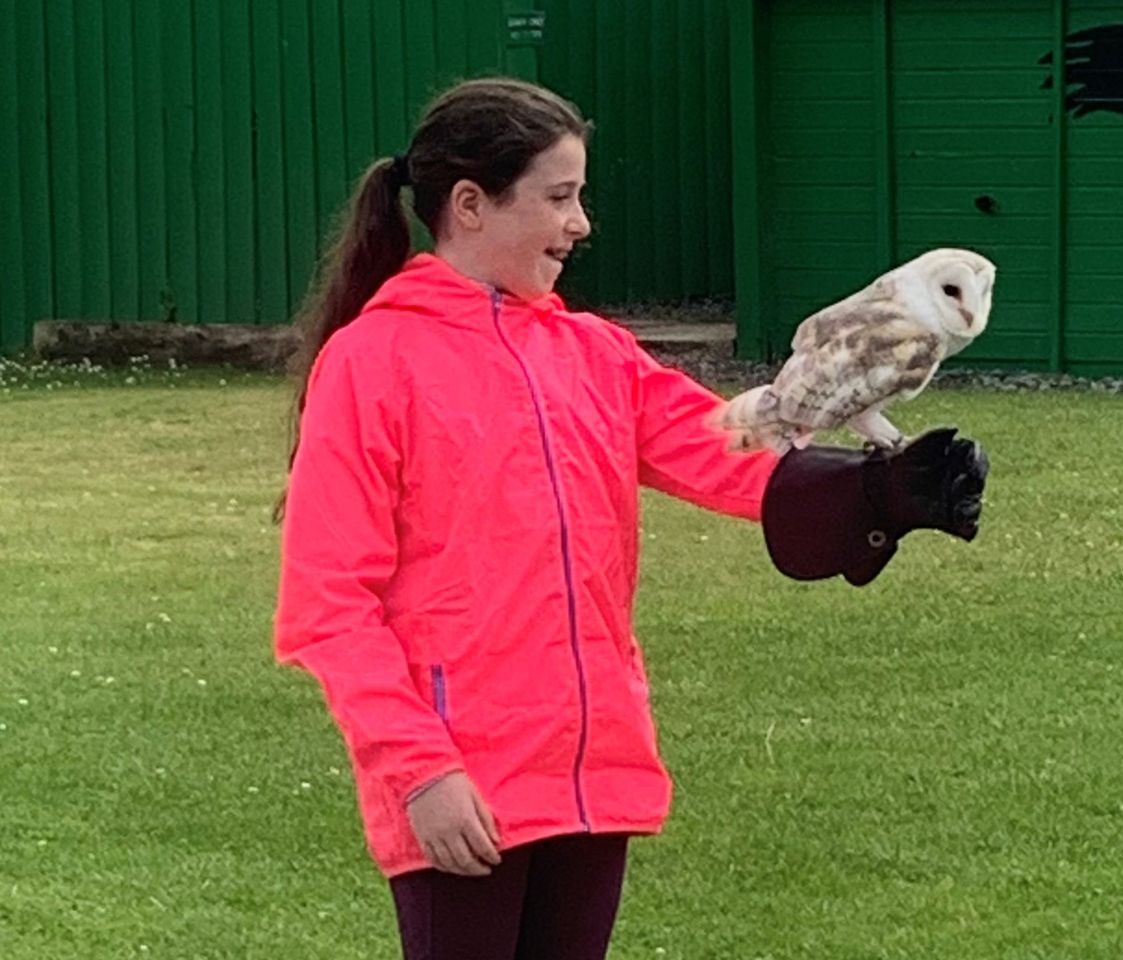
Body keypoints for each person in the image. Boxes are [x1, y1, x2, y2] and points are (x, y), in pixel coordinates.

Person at [273, 76, 987, 960]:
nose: (581, 223)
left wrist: (875, 491)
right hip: (461, 784)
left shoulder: (594, 352)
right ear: (469, 205)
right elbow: (328, 604)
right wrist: (421, 770)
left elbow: (723, 444)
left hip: (591, 770)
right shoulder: (373, 363)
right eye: (560, 198)